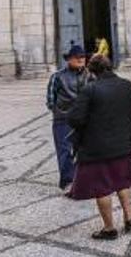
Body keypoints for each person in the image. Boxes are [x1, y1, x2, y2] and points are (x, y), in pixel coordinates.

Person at [66, 55, 131, 241]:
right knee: (122, 181)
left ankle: (109, 228)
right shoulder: (127, 85)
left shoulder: (90, 89)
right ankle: (129, 218)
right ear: (110, 66)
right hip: (123, 144)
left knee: (102, 187)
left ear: (92, 70)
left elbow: (75, 119)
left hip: (97, 148)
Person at [46, 45, 91, 193]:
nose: (80, 59)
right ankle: (67, 182)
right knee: (64, 150)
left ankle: (83, 180)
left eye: (83, 57)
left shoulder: (90, 75)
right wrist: (60, 112)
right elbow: (50, 100)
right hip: (63, 119)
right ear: (69, 60)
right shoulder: (57, 76)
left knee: (84, 149)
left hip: (84, 119)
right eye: (77, 57)